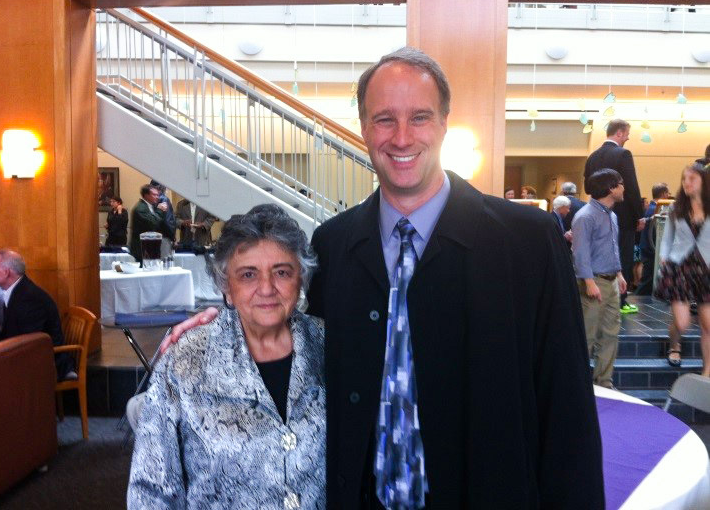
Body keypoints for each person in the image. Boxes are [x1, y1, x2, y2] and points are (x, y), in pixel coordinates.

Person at [163, 47, 603, 508]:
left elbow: (568, 409)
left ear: (444, 124)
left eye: (419, 117)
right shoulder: (332, 246)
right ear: (363, 128)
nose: (401, 137)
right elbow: (290, 339)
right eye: (384, 119)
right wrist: (221, 327)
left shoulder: (527, 243)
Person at [128, 204, 325, 509]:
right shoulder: (186, 361)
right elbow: (151, 490)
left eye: (282, 272)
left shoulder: (329, 347)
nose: (267, 288)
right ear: (226, 287)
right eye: (248, 275)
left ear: (300, 279)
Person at [572, 169, 627, 389]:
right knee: (587, 335)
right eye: (621, 184)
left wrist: (620, 273)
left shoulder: (611, 214)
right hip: (593, 281)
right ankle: (579, 385)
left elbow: (612, 249)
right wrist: (589, 282)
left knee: (611, 333)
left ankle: (604, 382)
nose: (624, 188)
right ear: (611, 188)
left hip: (611, 280)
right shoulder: (585, 216)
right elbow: (580, 252)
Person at [584, 119, 644, 314]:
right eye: (627, 133)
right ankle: (620, 300)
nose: (628, 137)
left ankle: (599, 294)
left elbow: (587, 186)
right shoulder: (623, 154)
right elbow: (632, 187)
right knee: (622, 256)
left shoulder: (592, 156)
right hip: (623, 214)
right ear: (619, 133)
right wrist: (639, 216)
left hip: (596, 211)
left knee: (599, 253)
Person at [655, 163, 710, 372]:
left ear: (704, 181)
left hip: (706, 269)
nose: (686, 183)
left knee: (708, 326)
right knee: (683, 322)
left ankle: (707, 374)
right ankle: (675, 343)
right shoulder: (676, 208)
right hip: (680, 267)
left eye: (692, 178)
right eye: (684, 178)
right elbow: (667, 237)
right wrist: (664, 258)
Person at [0, 249, 75, 381]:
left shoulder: (29, 298)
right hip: (28, 355)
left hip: (46, 363)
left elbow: (28, 342)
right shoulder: (16, 290)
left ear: (6, 272)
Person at [635, 183, 670, 295]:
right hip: (651, 248)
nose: (669, 195)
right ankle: (639, 298)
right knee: (647, 280)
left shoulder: (651, 208)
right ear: (664, 193)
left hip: (648, 246)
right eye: (668, 193)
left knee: (648, 279)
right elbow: (656, 232)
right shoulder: (655, 209)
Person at [129, 184, 169, 263]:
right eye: (154, 195)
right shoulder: (140, 208)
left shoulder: (150, 206)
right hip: (141, 248)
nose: (157, 197)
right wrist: (160, 210)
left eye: (158, 195)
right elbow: (152, 223)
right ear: (146, 195)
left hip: (149, 246)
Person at [150, 180, 177, 258]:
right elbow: (167, 221)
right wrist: (173, 237)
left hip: (152, 237)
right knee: (164, 264)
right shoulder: (163, 199)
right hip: (164, 237)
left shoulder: (150, 200)